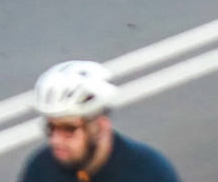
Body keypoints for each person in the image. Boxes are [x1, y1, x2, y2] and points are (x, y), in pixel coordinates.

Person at [19, 61, 179, 181]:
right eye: (50, 127)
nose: (56, 140)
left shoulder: (148, 173)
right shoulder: (40, 169)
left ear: (101, 126)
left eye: (68, 129)